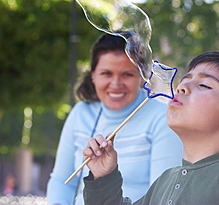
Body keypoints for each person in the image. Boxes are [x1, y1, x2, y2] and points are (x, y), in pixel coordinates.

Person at [82, 51, 219, 205]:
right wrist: (103, 176)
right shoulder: (166, 179)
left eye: (204, 85)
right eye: (185, 79)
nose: (182, 87)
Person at [46, 32, 183, 205]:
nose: (116, 84)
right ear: (93, 75)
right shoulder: (80, 112)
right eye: (106, 73)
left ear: (142, 77)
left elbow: (161, 197)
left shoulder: (163, 117)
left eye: (127, 74)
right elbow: (61, 180)